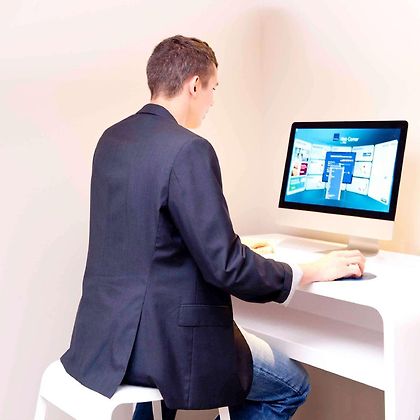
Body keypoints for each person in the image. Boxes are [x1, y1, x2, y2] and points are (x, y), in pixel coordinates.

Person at [61, 35, 365, 420]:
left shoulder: (113, 139)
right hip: (164, 346)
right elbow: (227, 267)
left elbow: (146, 239)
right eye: (213, 89)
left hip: (107, 341)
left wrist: (234, 249)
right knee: (291, 385)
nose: (212, 101)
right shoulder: (188, 148)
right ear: (194, 85)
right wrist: (307, 271)